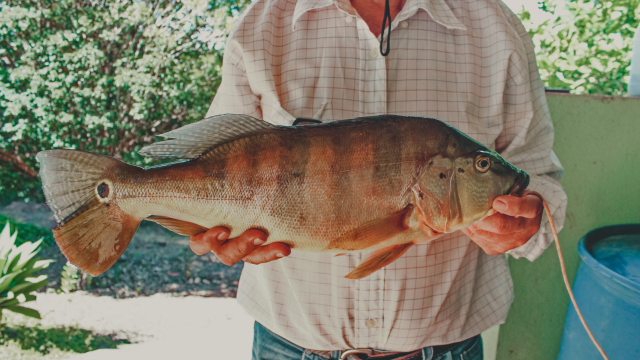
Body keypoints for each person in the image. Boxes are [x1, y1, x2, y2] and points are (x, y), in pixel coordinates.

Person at [189, 0, 568, 359]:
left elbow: (538, 179)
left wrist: (528, 220)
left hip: (447, 351)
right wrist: (206, 227)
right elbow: (209, 162)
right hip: (289, 348)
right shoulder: (263, 23)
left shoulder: (495, 26)